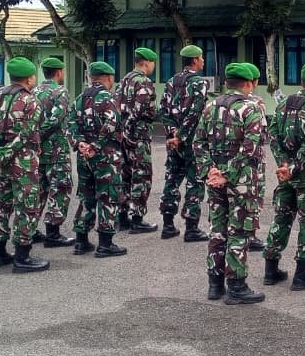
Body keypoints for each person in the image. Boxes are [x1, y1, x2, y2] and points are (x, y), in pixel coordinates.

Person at [197, 62, 268, 305]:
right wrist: (227, 173)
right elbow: (250, 148)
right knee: (239, 230)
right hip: (241, 181)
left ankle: (215, 284)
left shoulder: (210, 106)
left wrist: (210, 171)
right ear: (248, 83)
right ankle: (236, 286)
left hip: (215, 179)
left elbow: (198, 143)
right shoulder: (250, 108)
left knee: (217, 228)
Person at [261, 61, 305, 291]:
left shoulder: (283, 105)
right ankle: (302, 275)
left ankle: (270, 271)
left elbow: (272, 137)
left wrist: (284, 164)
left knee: (281, 218)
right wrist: (294, 167)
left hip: (285, 175)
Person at [0, 57, 49, 273]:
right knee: (26, 206)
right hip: (23, 162)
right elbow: (26, 135)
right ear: (29, 78)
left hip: (1, 164)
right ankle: (22, 257)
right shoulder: (31, 101)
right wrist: (4, 154)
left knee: (0, 205)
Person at [70, 61, 127, 258]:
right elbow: (112, 123)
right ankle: (105, 244)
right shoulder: (108, 98)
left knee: (86, 195)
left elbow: (71, 124)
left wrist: (80, 143)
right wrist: (95, 146)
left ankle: (81, 241)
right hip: (105, 156)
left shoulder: (79, 98)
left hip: (84, 156)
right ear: (108, 77)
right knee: (108, 196)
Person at [158, 44, 210, 242]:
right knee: (195, 181)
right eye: (201, 57)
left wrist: (173, 133)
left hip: (173, 141)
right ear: (195, 60)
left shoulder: (171, 81)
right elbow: (196, 112)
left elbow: (163, 110)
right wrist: (181, 135)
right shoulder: (199, 82)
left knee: (172, 179)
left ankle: (168, 225)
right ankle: (191, 228)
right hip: (191, 141)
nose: (203, 61)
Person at [116, 47, 160, 234]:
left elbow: (117, 106)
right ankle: (137, 219)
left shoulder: (124, 80)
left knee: (125, 175)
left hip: (123, 135)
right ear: (147, 62)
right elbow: (140, 109)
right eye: (153, 63)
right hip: (138, 135)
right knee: (141, 176)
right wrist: (130, 128)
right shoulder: (143, 81)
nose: (153, 66)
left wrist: (123, 130)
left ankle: (122, 217)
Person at [36, 56, 75, 248]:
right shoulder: (60, 91)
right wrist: (40, 135)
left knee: (39, 190)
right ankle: (53, 233)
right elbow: (56, 119)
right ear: (59, 72)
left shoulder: (33, 91)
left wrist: (34, 137)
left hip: (37, 151)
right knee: (60, 188)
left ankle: (30, 229)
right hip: (56, 151)